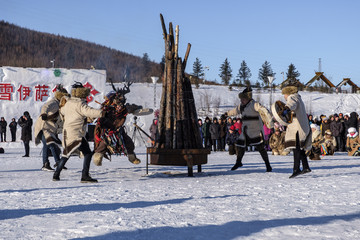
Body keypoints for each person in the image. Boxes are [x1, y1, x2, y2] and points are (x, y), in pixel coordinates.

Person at [53, 83, 102, 182]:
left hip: (67, 132)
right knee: (85, 153)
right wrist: (102, 112)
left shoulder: (68, 103)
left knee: (67, 153)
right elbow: (89, 111)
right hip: (76, 133)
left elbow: (62, 112)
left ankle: (56, 174)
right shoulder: (80, 104)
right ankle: (84, 176)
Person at [227, 87, 273, 172]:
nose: (241, 101)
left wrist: (268, 117)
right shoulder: (241, 106)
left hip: (255, 131)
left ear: (248, 98)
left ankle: (268, 165)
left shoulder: (254, 104)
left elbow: (262, 109)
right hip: (245, 130)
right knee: (240, 145)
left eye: (243, 99)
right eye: (241, 99)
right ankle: (238, 162)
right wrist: (227, 113)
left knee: (261, 148)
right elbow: (235, 111)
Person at [34, 85, 69, 171]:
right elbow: (45, 107)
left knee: (47, 145)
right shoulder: (54, 102)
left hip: (50, 129)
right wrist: (44, 114)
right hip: (43, 127)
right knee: (51, 144)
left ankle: (46, 164)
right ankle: (57, 162)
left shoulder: (61, 105)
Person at [281, 84, 312, 178]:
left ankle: (296, 169)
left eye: (284, 94)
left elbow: (291, 104)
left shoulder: (292, 97)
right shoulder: (298, 98)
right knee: (299, 148)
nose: (284, 97)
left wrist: (286, 109)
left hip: (298, 128)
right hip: (301, 126)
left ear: (288, 93)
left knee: (296, 148)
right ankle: (306, 167)